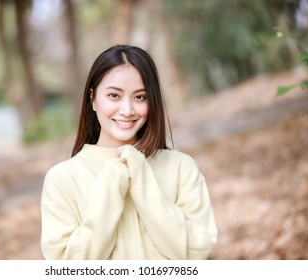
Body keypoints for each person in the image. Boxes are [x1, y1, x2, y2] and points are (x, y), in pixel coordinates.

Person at [41, 44, 218, 260]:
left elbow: (196, 254)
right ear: (92, 98)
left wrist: (143, 183)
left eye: (140, 97)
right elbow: (66, 266)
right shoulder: (62, 178)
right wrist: (112, 187)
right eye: (114, 95)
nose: (127, 110)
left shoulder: (181, 167)